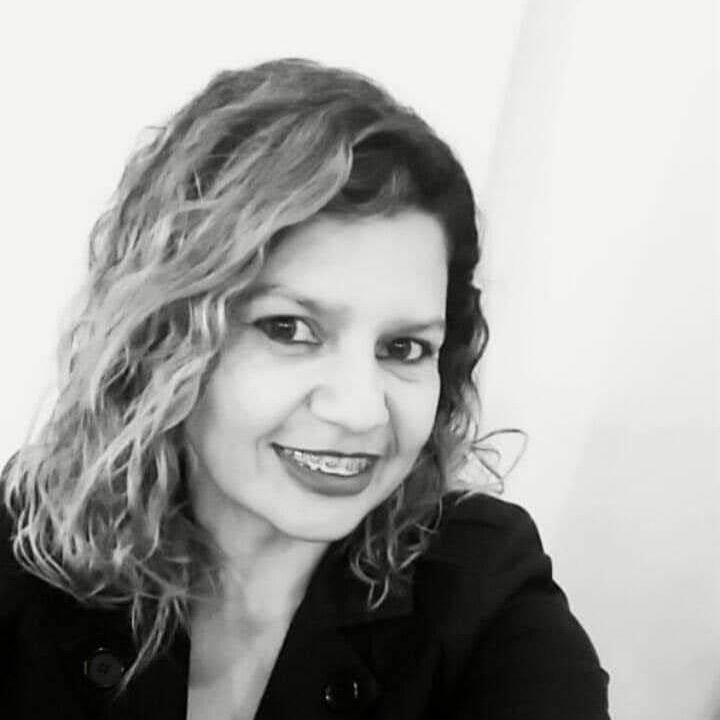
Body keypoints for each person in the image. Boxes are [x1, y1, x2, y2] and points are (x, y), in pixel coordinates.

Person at [0, 58, 610, 719]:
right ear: (162, 335)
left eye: (404, 348)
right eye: (289, 330)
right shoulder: (25, 547)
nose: (359, 411)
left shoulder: (481, 582)